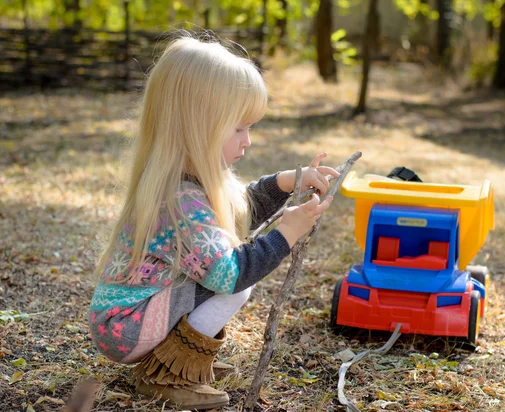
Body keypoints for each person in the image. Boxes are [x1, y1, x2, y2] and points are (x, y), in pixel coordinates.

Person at [88, 35, 338, 409]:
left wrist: (285, 182)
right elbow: (232, 273)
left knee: (228, 266)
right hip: (128, 327)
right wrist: (286, 233)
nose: (247, 141)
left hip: (129, 318)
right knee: (236, 284)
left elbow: (235, 214)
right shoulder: (179, 200)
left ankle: (180, 353)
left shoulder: (178, 183)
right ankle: (172, 370)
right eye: (238, 128)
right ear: (197, 125)